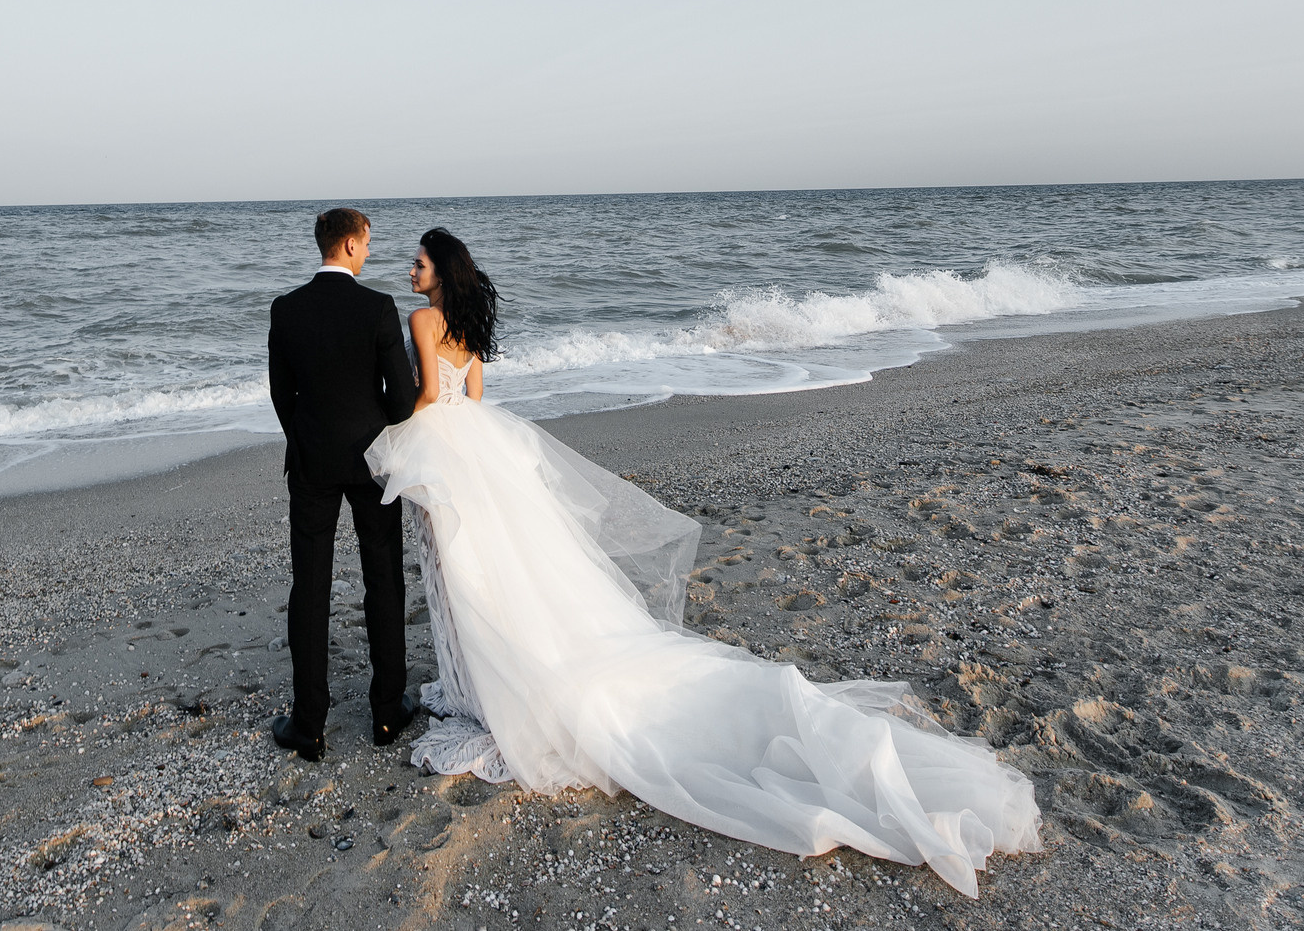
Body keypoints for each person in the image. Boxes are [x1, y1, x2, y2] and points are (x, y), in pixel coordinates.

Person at [365, 227, 1042, 898]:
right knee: (497, 569)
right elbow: (471, 397)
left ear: (439, 270)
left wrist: (394, 433)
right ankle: (483, 682)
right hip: (483, 444)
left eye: (419, 261)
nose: (412, 268)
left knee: (462, 573)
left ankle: (481, 687)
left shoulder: (422, 318)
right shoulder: (467, 326)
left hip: (447, 450)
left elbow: (427, 397)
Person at [264, 206, 424, 761]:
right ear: (352, 246)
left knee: (309, 586)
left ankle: (308, 724)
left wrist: (307, 437)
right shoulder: (378, 308)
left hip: (310, 460)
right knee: (383, 577)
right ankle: (387, 712)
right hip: (371, 460)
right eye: (369, 242)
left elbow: (281, 395)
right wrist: (368, 424)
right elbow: (403, 402)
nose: (371, 252)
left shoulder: (285, 310)